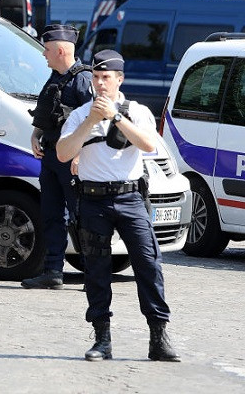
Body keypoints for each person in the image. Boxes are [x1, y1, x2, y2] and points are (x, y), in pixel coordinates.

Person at [56, 50, 180, 362]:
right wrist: (91, 122)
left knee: (148, 264)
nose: (99, 83)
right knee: (97, 270)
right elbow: (62, 153)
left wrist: (115, 117)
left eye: (106, 78)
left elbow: (149, 144)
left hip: (130, 198)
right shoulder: (79, 115)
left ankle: (159, 336)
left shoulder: (136, 111)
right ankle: (102, 339)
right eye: (96, 78)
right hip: (93, 200)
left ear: (119, 80)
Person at [22, 24, 93, 290]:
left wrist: (80, 155)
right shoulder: (55, 78)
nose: (44, 54)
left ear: (61, 50)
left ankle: (92, 274)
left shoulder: (83, 80)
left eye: (47, 49)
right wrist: (34, 136)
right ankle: (53, 272)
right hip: (51, 157)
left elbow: (94, 122)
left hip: (72, 161)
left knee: (81, 216)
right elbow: (46, 112)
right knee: (52, 215)